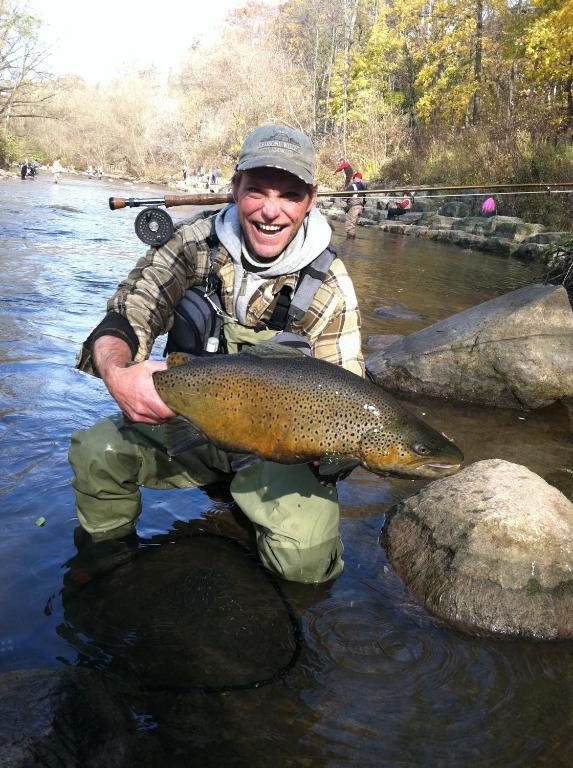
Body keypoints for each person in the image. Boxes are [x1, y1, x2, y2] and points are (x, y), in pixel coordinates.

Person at [69, 123, 364, 585]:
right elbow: (130, 311)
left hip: (277, 450)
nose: (271, 210)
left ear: (311, 200)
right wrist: (116, 372)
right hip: (191, 426)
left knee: (306, 567)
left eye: (289, 195)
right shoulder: (192, 244)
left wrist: (335, 456)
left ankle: (261, 521)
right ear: (234, 190)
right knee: (97, 451)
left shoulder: (330, 284)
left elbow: (349, 390)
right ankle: (107, 564)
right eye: (257, 191)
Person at [344, 172, 367, 238]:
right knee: (353, 226)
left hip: (354, 208)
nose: (353, 179)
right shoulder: (364, 187)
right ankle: (351, 243)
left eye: (353, 178)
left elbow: (344, 195)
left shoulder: (353, 186)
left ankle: (349, 245)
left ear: (357, 178)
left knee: (350, 226)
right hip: (360, 208)